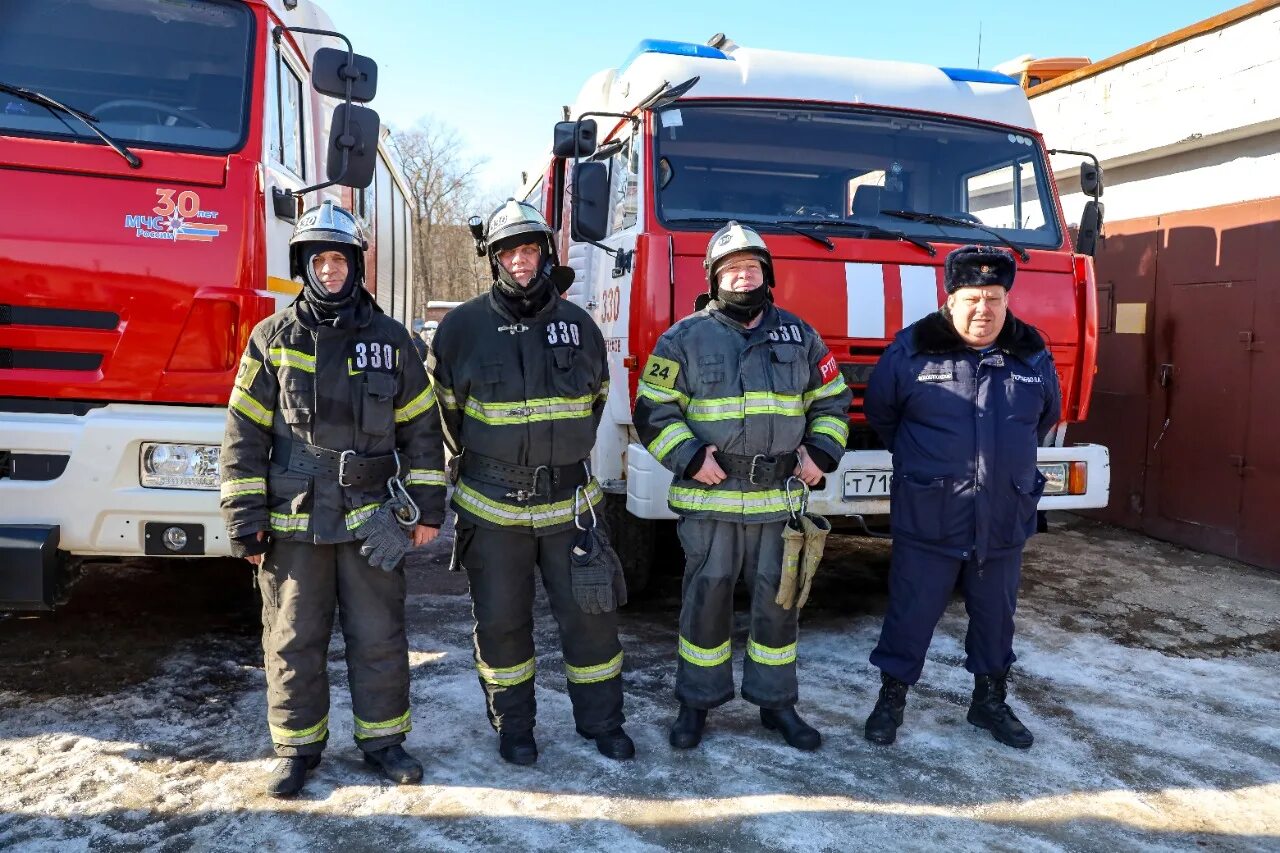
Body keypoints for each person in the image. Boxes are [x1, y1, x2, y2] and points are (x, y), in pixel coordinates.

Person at [219, 200, 445, 796]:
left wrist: (426, 509)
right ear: (304, 267)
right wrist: (245, 521)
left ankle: (384, 742)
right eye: (319, 260)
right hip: (294, 519)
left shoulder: (393, 341)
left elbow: (422, 431)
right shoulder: (271, 338)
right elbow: (243, 433)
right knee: (293, 637)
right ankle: (297, 751)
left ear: (356, 266)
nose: (330, 270)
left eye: (339, 259)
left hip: (372, 516)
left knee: (380, 635)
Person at [427, 199, 633, 765]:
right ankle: (514, 728)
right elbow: (446, 415)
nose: (521, 262)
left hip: (571, 508)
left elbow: (594, 404)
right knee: (501, 626)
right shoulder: (460, 328)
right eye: (508, 252)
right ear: (494, 260)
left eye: (529, 249)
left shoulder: (580, 325)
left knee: (592, 623)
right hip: (492, 511)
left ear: (546, 253)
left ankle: (602, 723)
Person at [632, 222, 852, 751]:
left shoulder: (801, 336)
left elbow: (833, 401)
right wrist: (687, 456)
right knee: (704, 600)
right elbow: (652, 409)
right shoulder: (681, 338)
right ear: (714, 279)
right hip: (711, 500)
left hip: (780, 503)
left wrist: (822, 452)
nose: (742, 276)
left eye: (751, 267)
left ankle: (777, 705)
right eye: (731, 268)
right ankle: (696, 705)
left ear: (766, 274)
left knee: (779, 605)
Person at [862, 244, 1061, 749]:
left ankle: (989, 702)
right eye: (973, 296)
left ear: (1007, 299)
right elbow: (883, 416)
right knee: (911, 613)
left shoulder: (1032, 354)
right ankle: (892, 700)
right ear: (950, 299)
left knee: (996, 618)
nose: (984, 309)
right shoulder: (911, 351)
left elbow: (1044, 419)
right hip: (931, 517)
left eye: (994, 297)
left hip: (1002, 518)